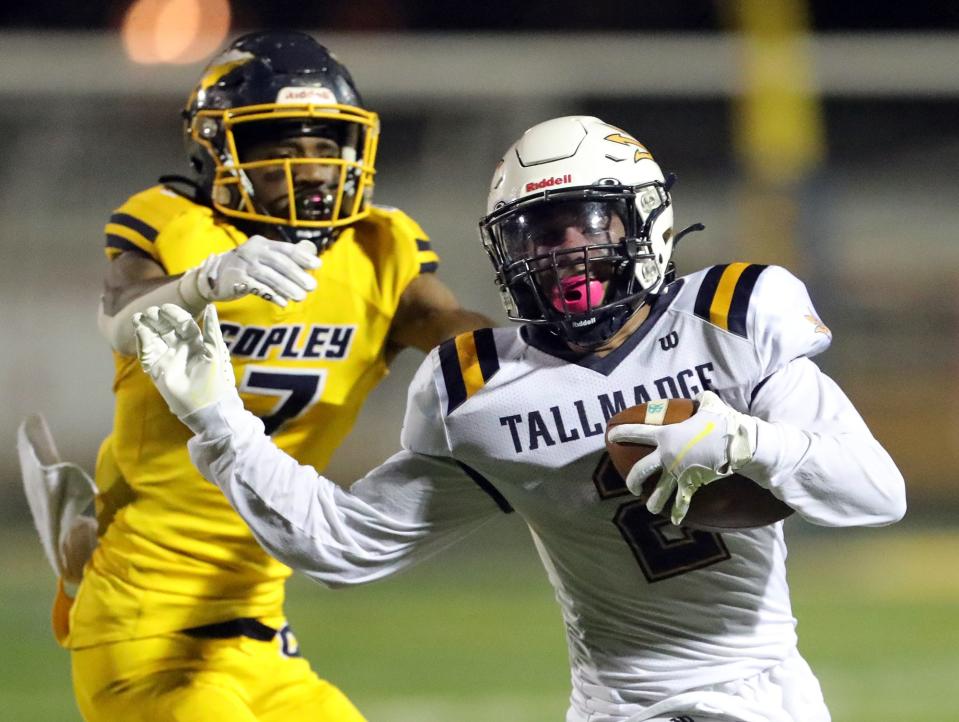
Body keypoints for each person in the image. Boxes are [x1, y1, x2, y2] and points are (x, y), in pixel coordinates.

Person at [133, 115, 906, 722]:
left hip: (766, 697)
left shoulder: (733, 315)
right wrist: (219, 421)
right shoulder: (480, 390)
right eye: (539, 231)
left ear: (646, 224)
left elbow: (875, 494)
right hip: (618, 708)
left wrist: (744, 437)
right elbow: (344, 546)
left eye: (587, 223)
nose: (564, 252)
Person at [22, 30, 491, 722]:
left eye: (325, 145)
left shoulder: (379, 248)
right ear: (217, 148)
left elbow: (456, 334)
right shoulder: (177, 228)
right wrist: (201, 284)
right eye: (279, 146)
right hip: (140, 624)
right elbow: (122, 316)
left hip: (263, 635)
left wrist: (561, 357)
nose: (309, 168)